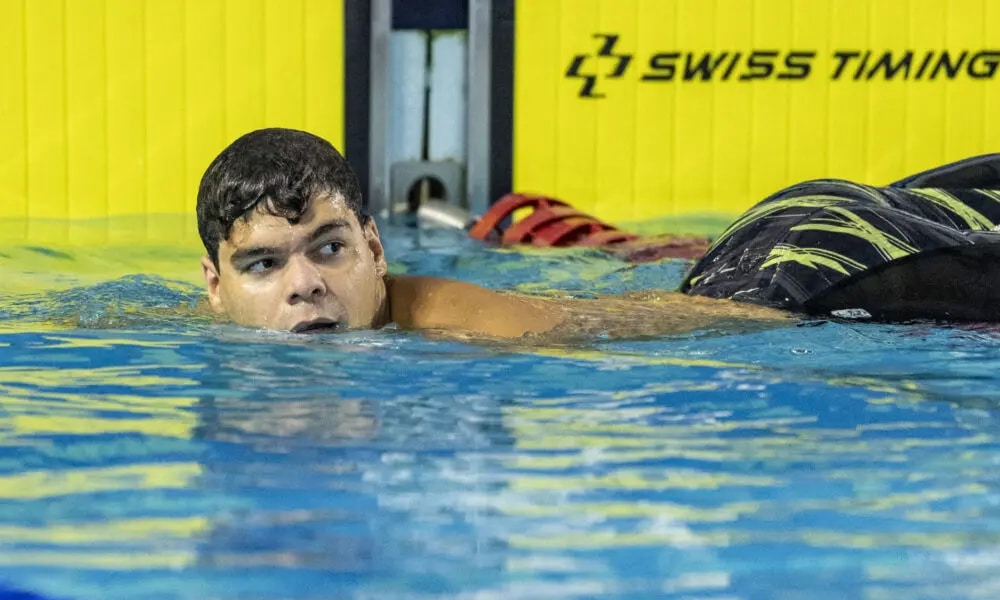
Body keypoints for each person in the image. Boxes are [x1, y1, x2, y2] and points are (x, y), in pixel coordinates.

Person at [196, 128, 791, 341]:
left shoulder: (466, 323)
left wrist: (787, 315)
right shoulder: (191, 327)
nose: (305, 285)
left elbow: (626, 321)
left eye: (330, 248)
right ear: (216, 287)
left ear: (374, 249)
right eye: (263, 265)